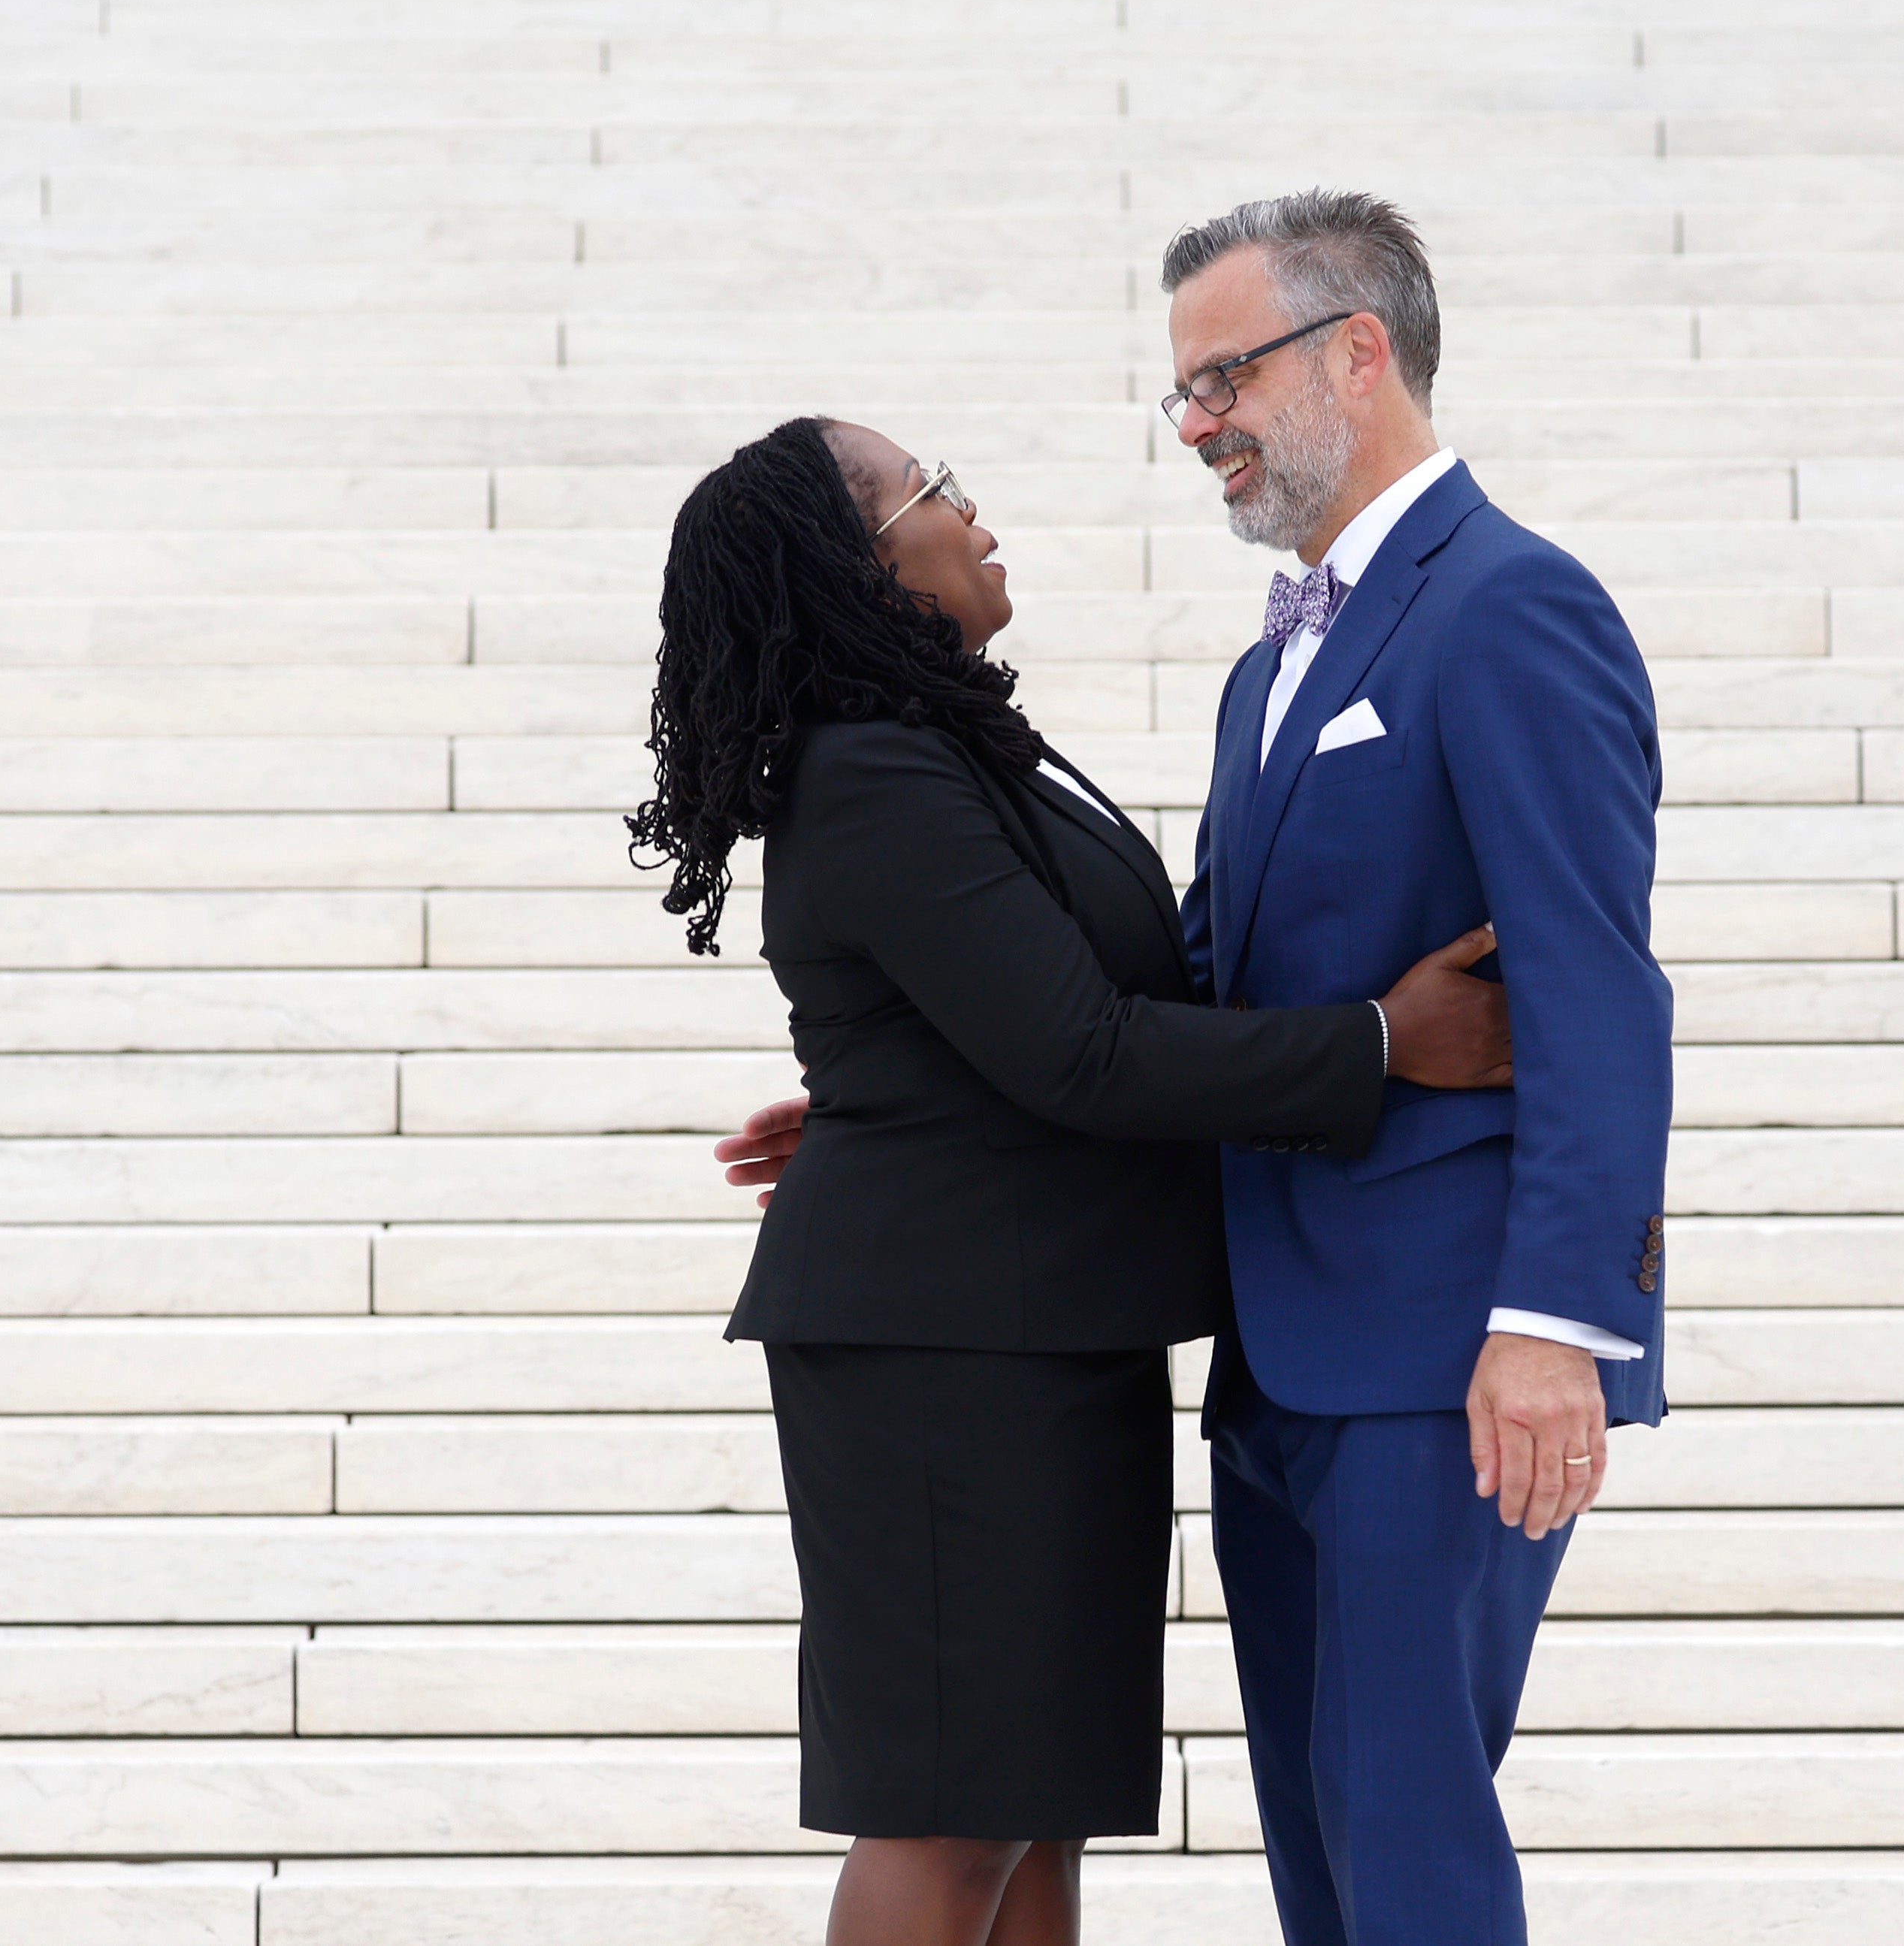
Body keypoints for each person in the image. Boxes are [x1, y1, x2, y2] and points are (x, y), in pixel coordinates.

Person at [631, 414, 1519, 1946]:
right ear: (860, 566)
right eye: (933, 488)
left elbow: (1047, 1004)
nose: (972, 507)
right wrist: (1381, 1043)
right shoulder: (877, 772)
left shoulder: (953, 745)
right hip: (948, 1364)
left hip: (1034, 1337)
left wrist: (884, 1101)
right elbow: (1087, 1055)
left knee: (1034, 1807)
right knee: (951, 1810)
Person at [1160, 189, 1676, 1946]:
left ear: (1355, 352)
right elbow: (1206, 978)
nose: (1197, 423)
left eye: (1220, 375)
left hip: (1443, 1360)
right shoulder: (1264, 674)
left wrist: (1553, 1326)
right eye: (1181, 393)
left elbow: (1596, 991)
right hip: (1278, 1364)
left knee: (1409, 1844)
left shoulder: (1513, 607)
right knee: (1323, 1850)